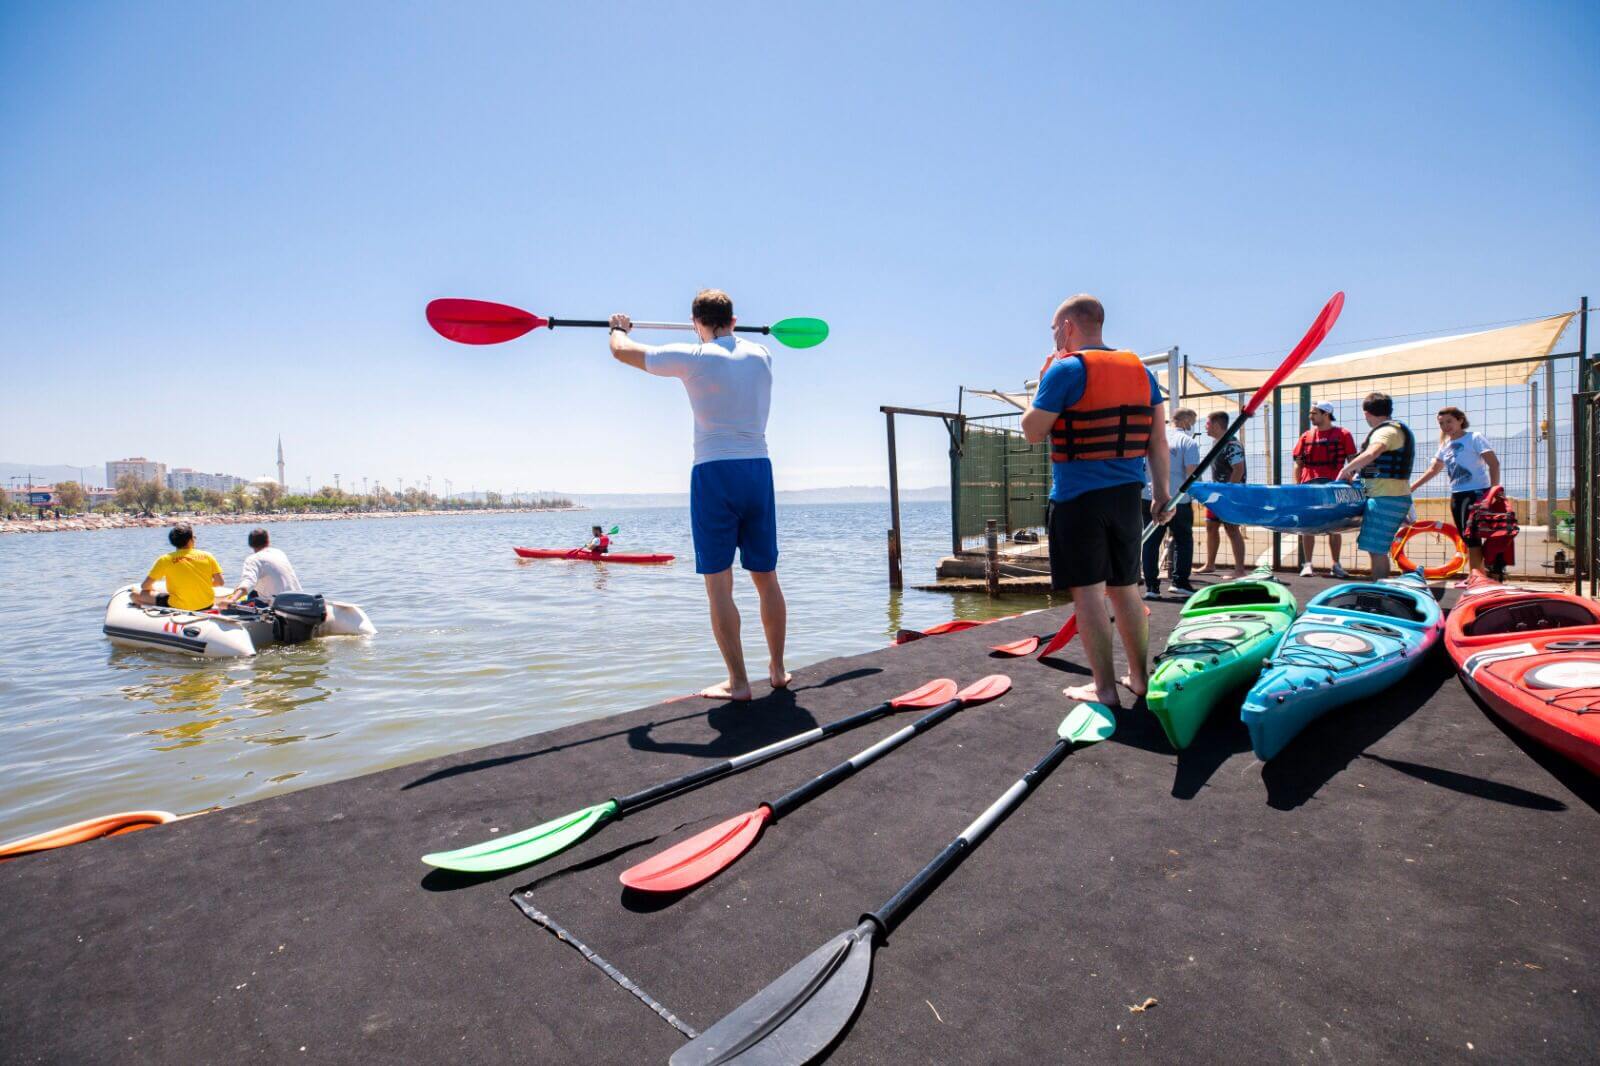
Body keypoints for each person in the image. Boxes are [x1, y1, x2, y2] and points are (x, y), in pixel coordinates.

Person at [608, 289, 788, 701]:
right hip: (758, 471)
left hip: (713, 474)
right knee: (767, 579)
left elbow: (623, 351)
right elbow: (728, 343)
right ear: (735, 320)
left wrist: (618, 327)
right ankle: (777, 670)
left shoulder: (693, 358)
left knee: (718, 586)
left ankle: (740, 683)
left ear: (695, 322)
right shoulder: (763, 355)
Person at [1022, 294, 1169, 707]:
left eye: (1054, 330)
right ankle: (1139, 679)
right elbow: (1157, 440)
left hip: (1077, 501)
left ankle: (1104, 689)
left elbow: (1033, 431)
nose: (1053, 337)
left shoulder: (1065, 369)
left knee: (1088, 594)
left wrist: (1040, 381)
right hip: (1127, 500)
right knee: (1126, 590)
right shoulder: (1141, 370)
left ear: (1068, 327)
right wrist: (1161, 493)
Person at [1410, 406, 1500, 574]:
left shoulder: (1474, 438)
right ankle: (1478, 576)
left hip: (1479, 494)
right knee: (1468, 538)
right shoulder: (1445, 445)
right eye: (1441, 423)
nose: (1446, 426)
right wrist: (1412, 487)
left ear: (1460, 420)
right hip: (1458, 497)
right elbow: (1433, 469)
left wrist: (1494, 493)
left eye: (1449, 421)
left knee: (1474, 538)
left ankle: (1477, 577)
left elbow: (1494, 464)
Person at [1337, 391, 1415, 579]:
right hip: (1389, 496)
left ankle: (1380, 593)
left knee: (1377, 550)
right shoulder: (1393, 430)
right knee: (1376, 549)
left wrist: (1346, 470)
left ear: (1366, 413)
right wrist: (1357, 476)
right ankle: (1380, 589)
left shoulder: (1386, 431)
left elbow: (1373, 453)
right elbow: (1376, 467)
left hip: (1386, 499)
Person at [1291, 400, 1356, 577]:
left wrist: (1352, 478)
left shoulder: (1343, 434)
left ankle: (1336, 564)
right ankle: (1308, 564)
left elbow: (1353, 462)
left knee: (1335, 526)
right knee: (1307, 526)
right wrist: (1298, 486)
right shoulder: (1305, 436)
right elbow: (1298, 464)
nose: (1310, 416)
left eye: (1314, 413)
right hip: (1309, 487)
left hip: (1333, 486)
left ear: (1326, 414)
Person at [1142, 407, 1199, 599]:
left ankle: (1151, 586)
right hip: (1178, 499)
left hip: (1149, 496)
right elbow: (1192, 473)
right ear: (1186, 422)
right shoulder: (1188, 442)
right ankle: (1179, 581)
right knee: (1183, 539)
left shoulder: (1152, 439)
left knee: (1150, 540)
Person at [1195, 411, 1248, 579]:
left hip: (1230, 495)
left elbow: (1238, 469)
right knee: (1211, 527)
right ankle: (1210, 564)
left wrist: (1228, 492)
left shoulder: (1232, 444)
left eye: (1208, 424)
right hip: (1216, 494)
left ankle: (1239, 569)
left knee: (1232, 529)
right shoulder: (1216, 443)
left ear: (1217, 425)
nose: (1205, 427)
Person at [133, 522, 224, 610]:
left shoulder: (165, 559)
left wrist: (153, 590)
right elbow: (220, 582)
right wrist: (204, 584)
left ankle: (148, 612)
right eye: (194, 536)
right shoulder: (208, 556)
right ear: (190, 539)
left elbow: (145, 586)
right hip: (207, 604)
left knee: (133, 595)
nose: (195, 538)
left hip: (178, 606)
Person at [231, 527, 302, 602]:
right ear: (268, 541)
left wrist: (232, 599)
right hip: (298, 599)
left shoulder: (253, 559)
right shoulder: (279, 553)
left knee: (228, 610)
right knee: (253, 592)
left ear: (250, 544)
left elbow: (248, 582)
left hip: (279, 605)